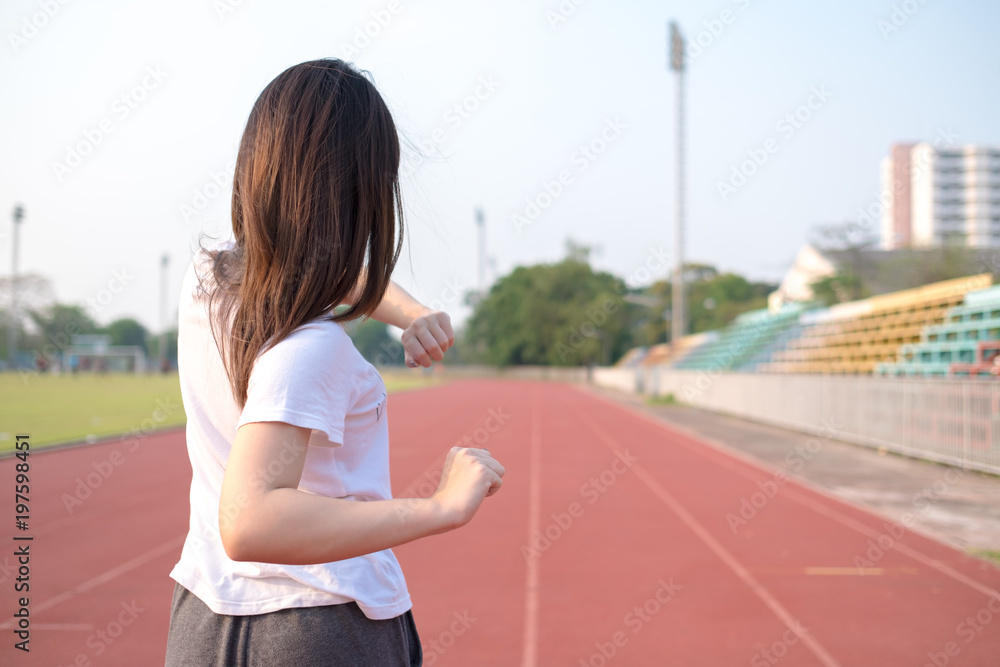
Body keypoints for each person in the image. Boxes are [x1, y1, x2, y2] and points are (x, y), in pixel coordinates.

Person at [164, 59, 505, 667]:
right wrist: (442, 508)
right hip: (323, 626)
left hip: (201, 620)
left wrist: (410, 311)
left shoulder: (205, 279)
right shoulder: (312, 347)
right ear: (366, 192)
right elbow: (251, 520)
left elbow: (321, 266)